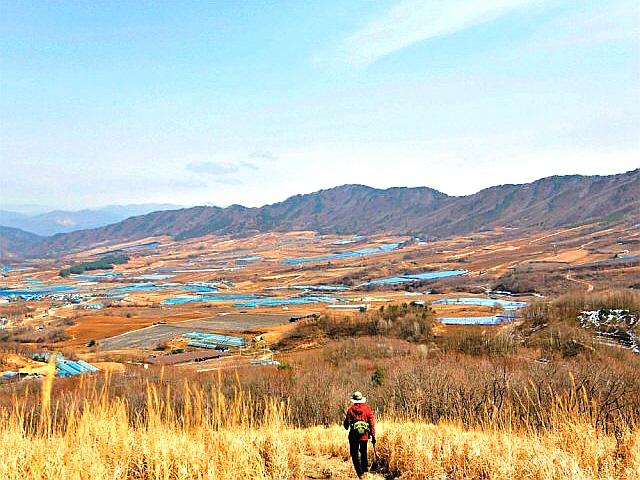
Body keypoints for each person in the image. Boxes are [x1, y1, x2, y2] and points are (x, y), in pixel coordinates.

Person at [343, 391, 376, 478]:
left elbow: (346, 425)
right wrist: (373, 435)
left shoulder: (350, 410)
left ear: (354, 400)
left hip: (353, 437)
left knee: (354, 454)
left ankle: (359, 473)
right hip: (364, 436)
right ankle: (365, 470)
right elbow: (372, 423)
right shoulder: (367, 409)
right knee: (364, 453)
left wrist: (346, 425)